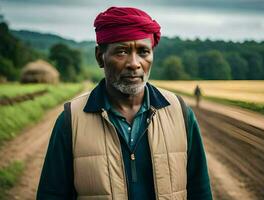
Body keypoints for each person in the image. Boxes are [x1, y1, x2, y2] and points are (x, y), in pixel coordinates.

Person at [37, 6, 212, 200]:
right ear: (99, 57)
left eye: (144, 52)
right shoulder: (71, 119)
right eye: (121, 52)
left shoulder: (179, 112)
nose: (134, 63)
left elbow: (200, 191)